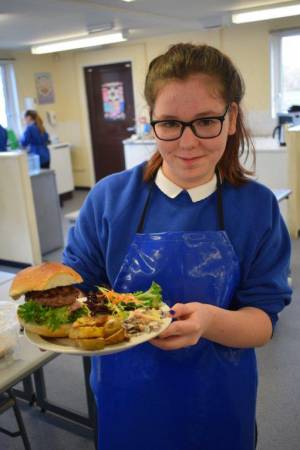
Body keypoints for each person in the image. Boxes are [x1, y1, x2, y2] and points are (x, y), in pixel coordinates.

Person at [62, 43, 292, 450]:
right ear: (150, 121)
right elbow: (77, 294)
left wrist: (208, 322)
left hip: (219, 401)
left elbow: (262, 323)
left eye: (206, 121)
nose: (187, 143)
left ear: (232, 117)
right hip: (127, 400)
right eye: (169, 123)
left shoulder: (257, 208)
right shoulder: (109, 200)